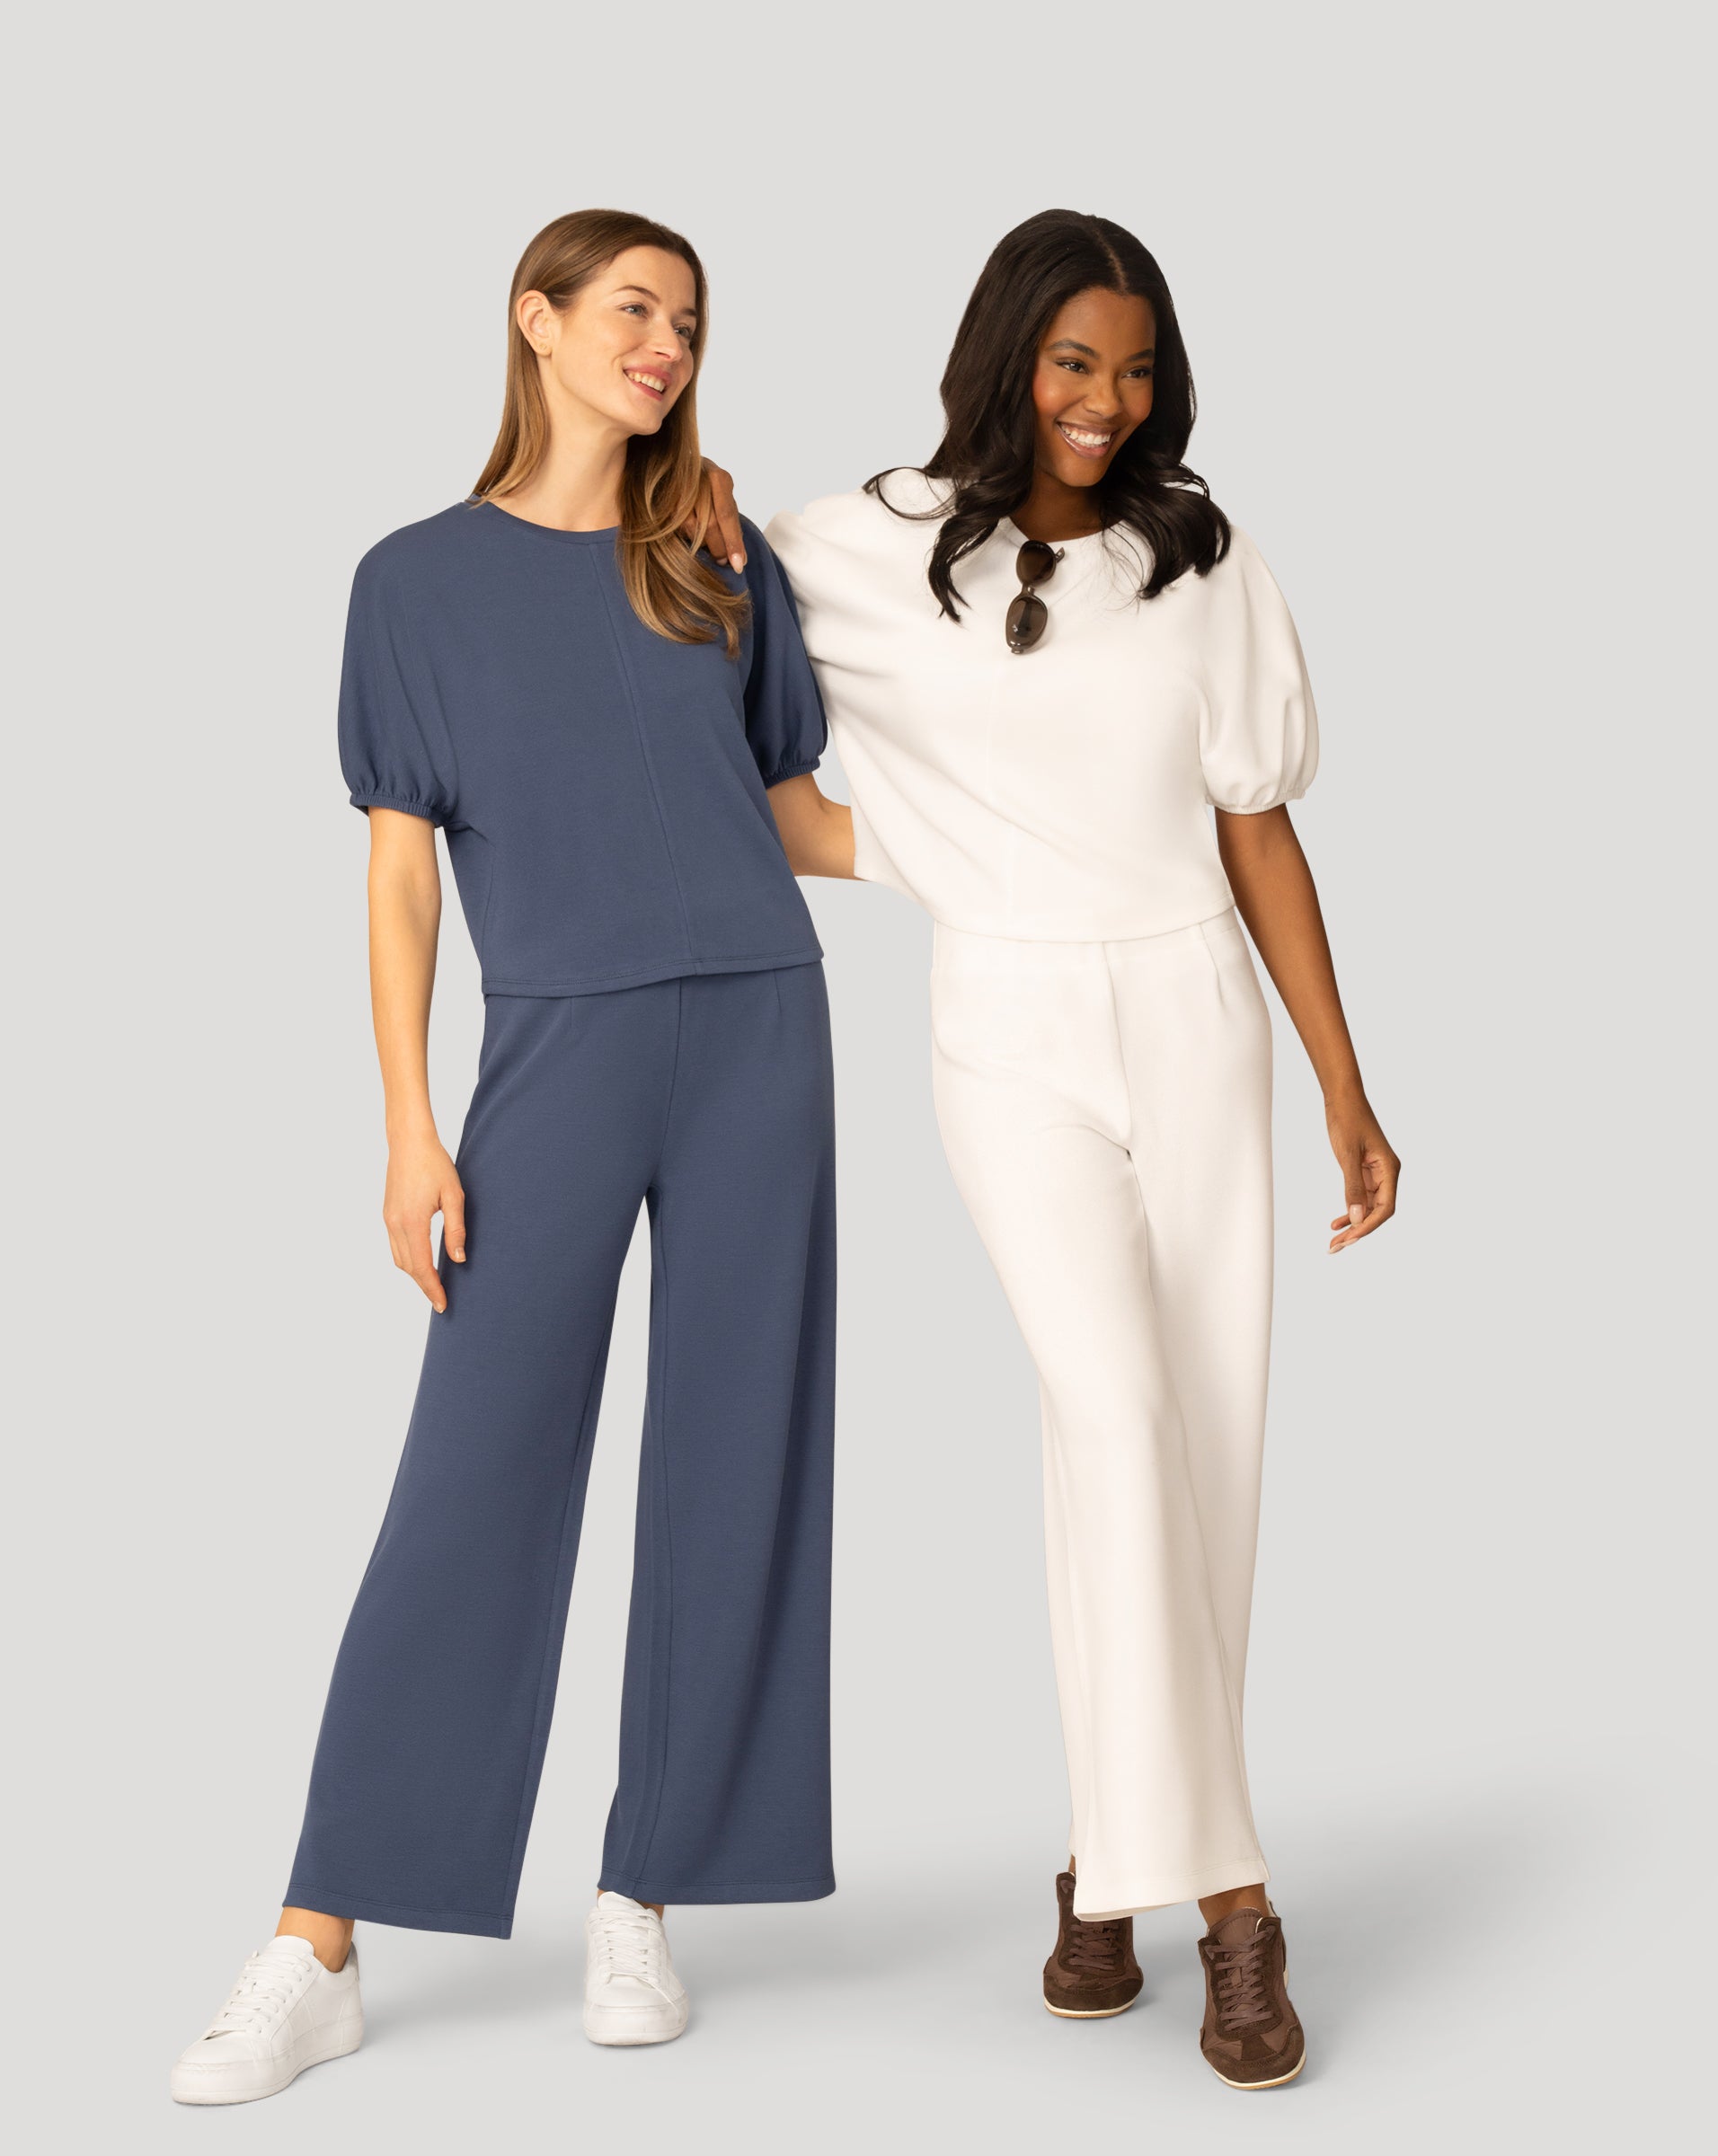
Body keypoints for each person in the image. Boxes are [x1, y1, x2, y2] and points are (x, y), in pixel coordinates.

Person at [171, 208, 837, 2105]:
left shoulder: (717, 556)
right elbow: (401, 881)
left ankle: (644, 1892)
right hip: (553, 1044)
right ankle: (318, 1940)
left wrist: (1035, 858)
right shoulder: (413, 583)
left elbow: (796, 814)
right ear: (534, 322)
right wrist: (409, 1127)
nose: (664, 344)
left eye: (688, 320)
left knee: (738, 1455)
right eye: (632, 308)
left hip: (760, 1029)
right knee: (474, 1473)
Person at [752, 208, 1400, 2090]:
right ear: (1004, 358)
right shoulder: (852, 545)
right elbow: (702, 655)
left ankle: (1104, 1872)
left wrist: (1345, 1083)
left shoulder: (1200, 559)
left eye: (1131, 369)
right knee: (1114, 1419)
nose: (1102, 400)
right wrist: (875, 843)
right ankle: (1235, 1907)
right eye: (1070, 363)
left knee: (1199, 1455)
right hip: (1010, 1025)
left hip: (1196, 1011)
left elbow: (1256, 828)